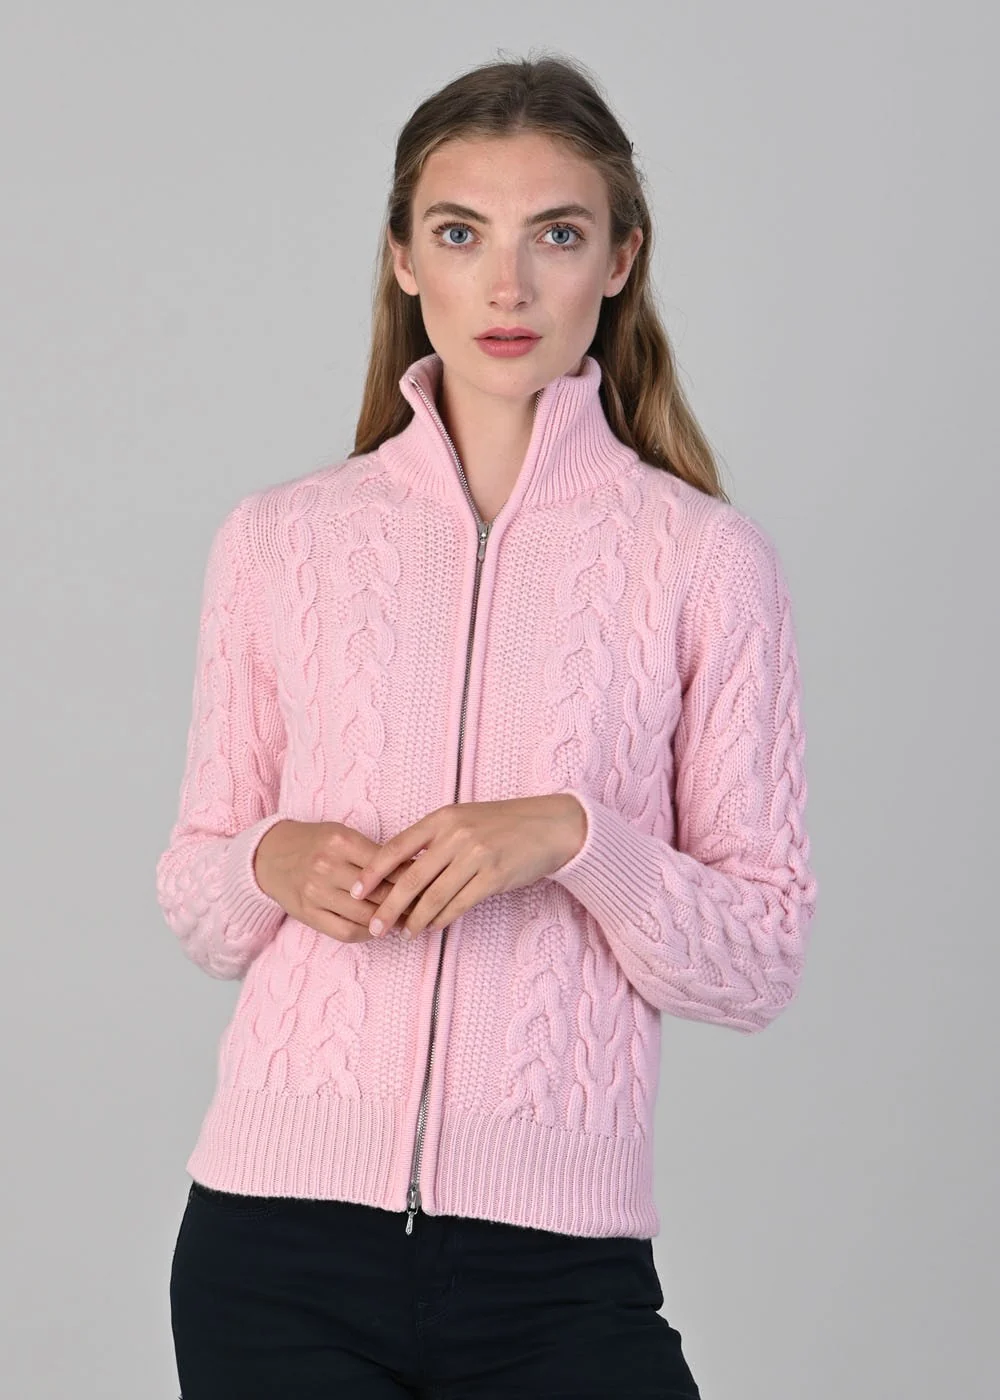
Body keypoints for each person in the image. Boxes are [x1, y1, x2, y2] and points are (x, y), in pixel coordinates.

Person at [158, 51, 817, 1400]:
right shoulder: (280, 541)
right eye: (461, 234)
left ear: (620, 260)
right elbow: (200, 900)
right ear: (406, 260)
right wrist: (269, 859)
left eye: (555, 236)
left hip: (557, 1269)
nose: (506, 286)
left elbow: (758, 959)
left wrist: (574, 839)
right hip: (272, 1249)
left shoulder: (704, 561)